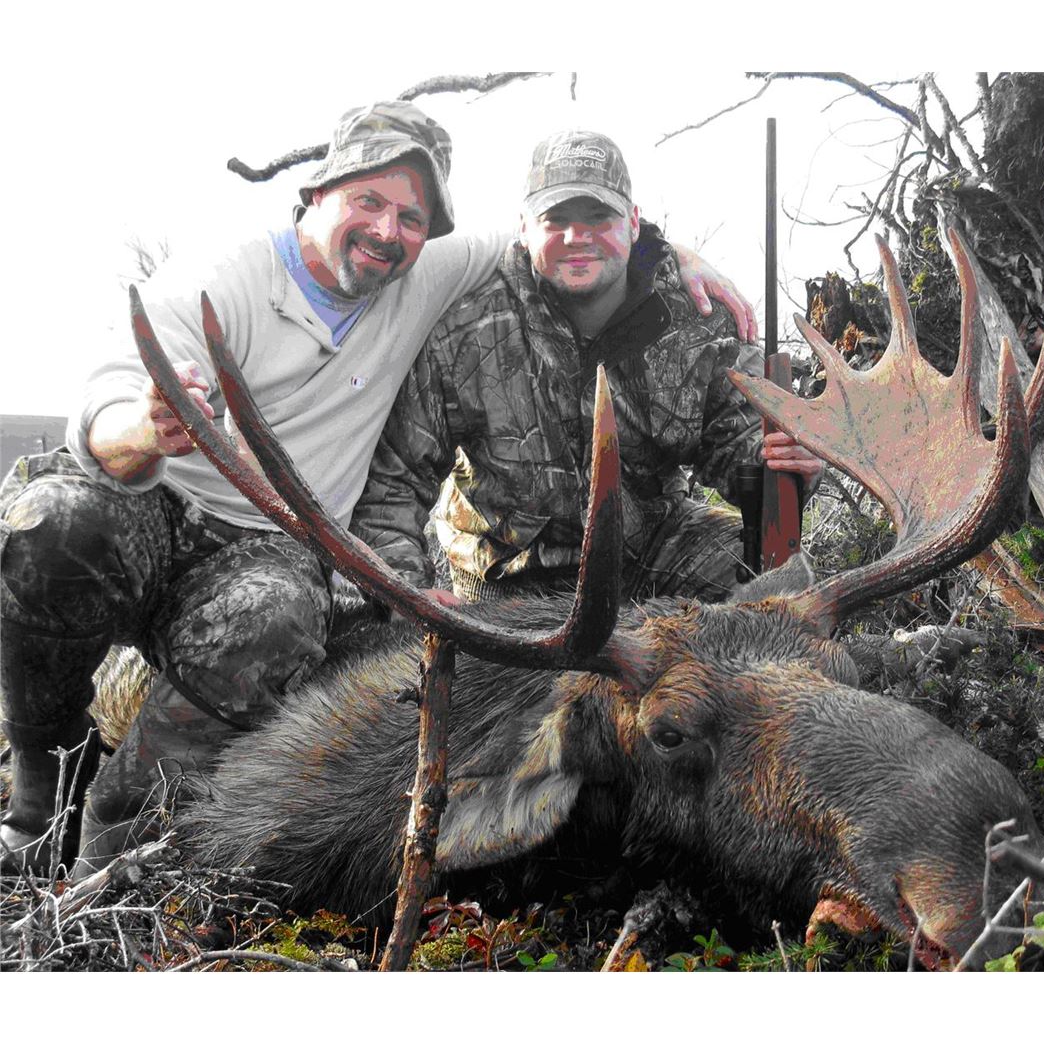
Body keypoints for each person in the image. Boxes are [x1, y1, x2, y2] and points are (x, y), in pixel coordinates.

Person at [0, 102, 753, 875]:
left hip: (271, 554)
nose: (388, 230)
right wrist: (144, 426)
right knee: (50, 525)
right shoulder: (226, 277)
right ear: (316, 194)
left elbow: (580, 245)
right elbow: (108, 404)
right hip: (173, 505)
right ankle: (40, 794)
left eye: (411, 217)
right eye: (368, 201)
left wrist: (673, 257)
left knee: (272, 620)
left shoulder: (434, 273)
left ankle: (116, 818)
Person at [352, 130, 822, 605]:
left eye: (599, 218)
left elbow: (745, 454)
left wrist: (791, 467)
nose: (577, 237)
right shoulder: (465, 327)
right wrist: (405, 596)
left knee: (780, 588)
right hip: (507, 578)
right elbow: (394, 483)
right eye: (556, 220)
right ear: (524, 227)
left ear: (634, 223)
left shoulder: (699, 318)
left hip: (653, 557)